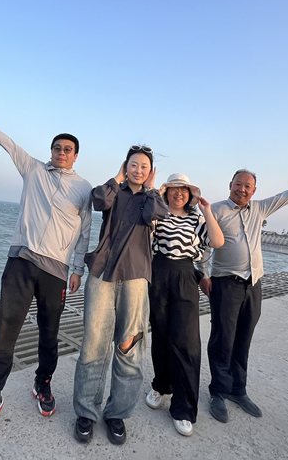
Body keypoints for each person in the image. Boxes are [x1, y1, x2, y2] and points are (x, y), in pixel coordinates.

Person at [0, 102, 93, 440]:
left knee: (49, 335)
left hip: (56, 272)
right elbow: (9, 144)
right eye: (57, 148)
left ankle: (42, 383)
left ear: (75, 156)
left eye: (67, 150)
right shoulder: (33, 169)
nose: (61, 153)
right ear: (51, 151)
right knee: (6, 331)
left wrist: (78, 269)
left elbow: (85, 232)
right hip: (20, 262)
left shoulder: (84, 188)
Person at [201, 168, 288, 423]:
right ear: (230, 184)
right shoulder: (215, 210)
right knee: (222, 339)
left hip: (253, 285)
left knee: (243, 338)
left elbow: (285, 197)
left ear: (254, 190)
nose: (242, 189)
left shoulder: (260, 208)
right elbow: (201, 244)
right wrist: (203, 274)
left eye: (247, 186)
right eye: (238, 184)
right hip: (225, 284)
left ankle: (238, 390)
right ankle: (218, 392)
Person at [72, 146, 169, 446]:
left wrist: (151, 188)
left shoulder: (151, 198)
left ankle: (117, 414)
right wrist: (116, 178)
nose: (138, 170)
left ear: (150, 171)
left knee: (130, 345)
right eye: (133, 164)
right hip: (101, 273)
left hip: (135, 278)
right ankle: (86, 412)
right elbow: (98, 200)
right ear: (125, 166)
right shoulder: (114, 191)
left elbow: (156, 214)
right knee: (94, 343)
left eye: (144, 166)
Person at [145, 173, 224, 437]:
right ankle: (161, 385)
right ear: (166, 192)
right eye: (174, 189)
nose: (179, 193)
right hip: (158, 273)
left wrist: (207, 211)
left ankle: (183, 408)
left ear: (190, 195)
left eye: (184, 190)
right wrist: (151, 190)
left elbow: (217, 241)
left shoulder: (196, 218)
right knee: (161, 336)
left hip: (185, 275)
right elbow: (145, 236)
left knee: (186, 342)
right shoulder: (158, 213)